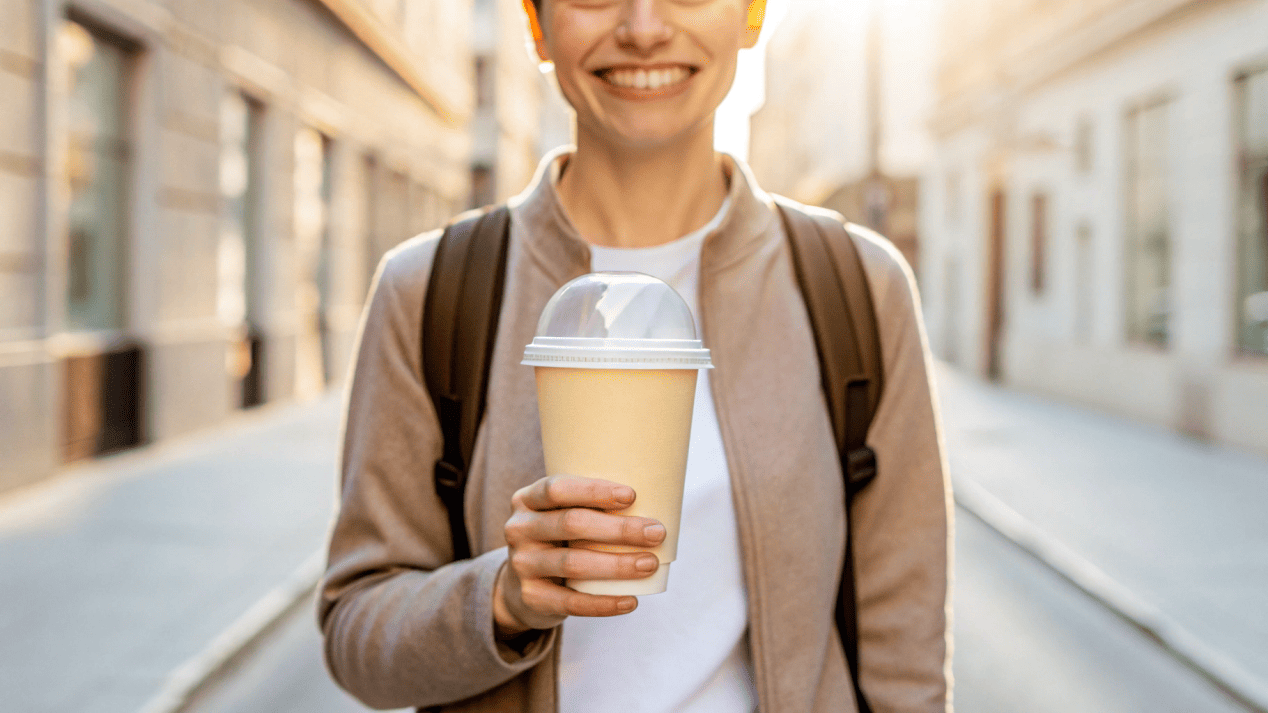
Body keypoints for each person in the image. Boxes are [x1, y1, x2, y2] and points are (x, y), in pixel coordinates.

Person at [319, 0, 953, 711]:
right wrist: (500, 596)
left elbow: (907, 658)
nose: (644, 28)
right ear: (536, 24)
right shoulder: (429, 290)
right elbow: (356, 633)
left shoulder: (858, 287)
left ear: (751, 15)